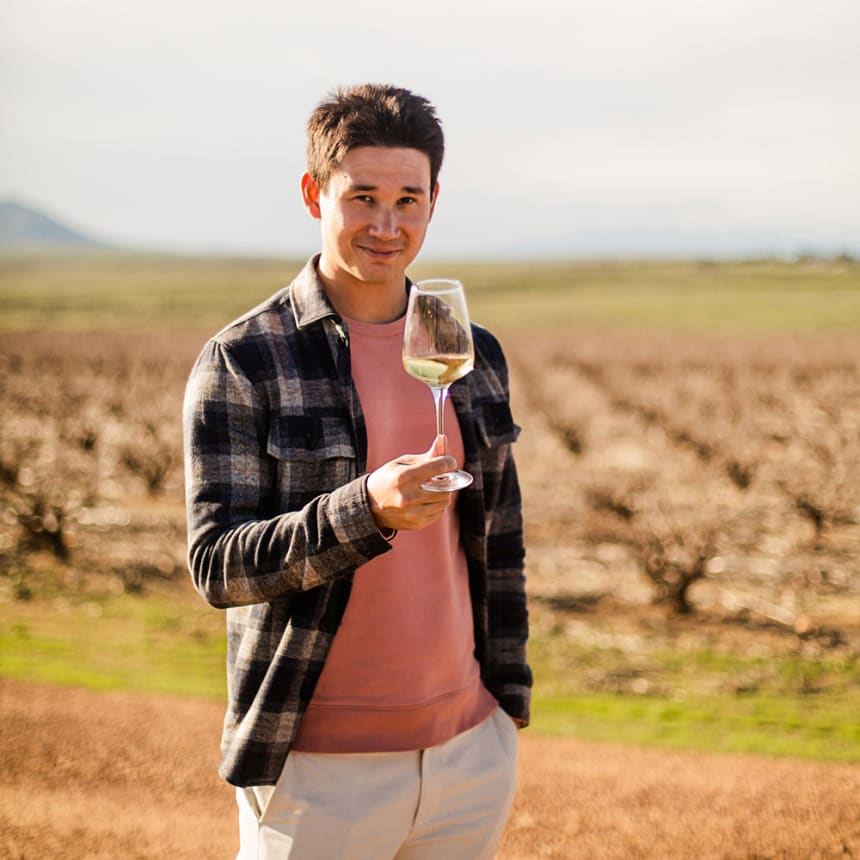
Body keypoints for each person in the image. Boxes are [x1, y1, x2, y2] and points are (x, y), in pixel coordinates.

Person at [183, 82, 531, 859]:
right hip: (315, 769)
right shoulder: (245, 360)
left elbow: (499, 545)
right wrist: (365, 508)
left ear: (434, 200)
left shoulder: (473, 351)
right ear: (314, 193)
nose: (386, 223)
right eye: (363, 196)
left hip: (467, 753)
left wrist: (504, 708)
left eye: (408, 199)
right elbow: (217, 567)